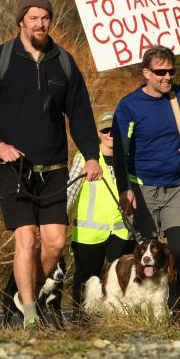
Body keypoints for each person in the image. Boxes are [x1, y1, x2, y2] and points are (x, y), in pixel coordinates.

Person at [0, 0, 101, 327]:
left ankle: (20, 289)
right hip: (12, 167)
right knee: (26, 238)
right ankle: (30, 314)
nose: (40, 23)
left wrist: (91, 156)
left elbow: (82, 115)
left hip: (55, 165)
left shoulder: (64, 62)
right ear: (21, 22)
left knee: (56, 243)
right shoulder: (0, 60)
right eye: (34, 18)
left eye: (45, 18)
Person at [112, 45, 180, 325]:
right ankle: (147, 312)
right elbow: (121, 152)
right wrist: (126, 189)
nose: (168, 77)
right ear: (145, 73)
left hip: (176, 186)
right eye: (161, 72)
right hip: (143, 189)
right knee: (145, 255)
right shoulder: (128, 106)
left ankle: (175, 307)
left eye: (171, 71)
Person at [66, 114, 134, 321]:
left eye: (114, 130)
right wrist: (58, 217)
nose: (110, 134)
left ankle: (121, 319)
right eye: (105, 130)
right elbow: (71, 189)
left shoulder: (130, 156)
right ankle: (80, 319)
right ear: (98, 133)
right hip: (90, 232)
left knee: (122, 277)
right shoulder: (85, 157)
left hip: (122, 230)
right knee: (87, 278)